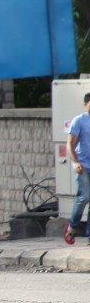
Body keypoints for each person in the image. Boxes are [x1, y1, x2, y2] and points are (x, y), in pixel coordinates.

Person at [64, 92, 90, 244]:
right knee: (84, 197)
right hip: (84, 165)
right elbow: (70, 143)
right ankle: (72, 226)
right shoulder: (79, 121)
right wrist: (75, 162)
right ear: (86, 103)